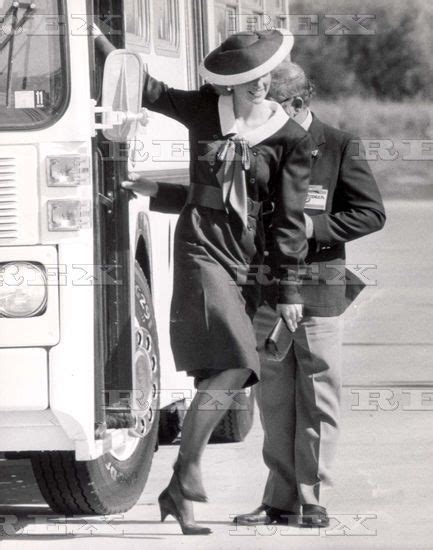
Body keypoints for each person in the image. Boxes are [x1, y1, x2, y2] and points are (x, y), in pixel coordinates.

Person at [94, 29, 312, 535]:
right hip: (199, 245)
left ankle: (179, 483)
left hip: (249, 257)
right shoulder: (200, 110)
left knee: (234, 371)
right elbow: (143, 86)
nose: (260, 85)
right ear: (231, 82)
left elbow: (289, 223)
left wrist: (288, 293)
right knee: (237, 358)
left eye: (264, 76)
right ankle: (187, 472)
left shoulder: (291, 138)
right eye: (249, 78)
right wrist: (94, 35)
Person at [234, 61, 386, 528]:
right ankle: (278, 500)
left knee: (319, 396)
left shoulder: (338, 145)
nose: (261, 113)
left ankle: (311, 496)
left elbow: (370, 213)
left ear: (298, 103)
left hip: (318, 290)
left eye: (271, 104)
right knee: (275, 403)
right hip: (267, 291)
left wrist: (311, 228)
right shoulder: (255, 144)